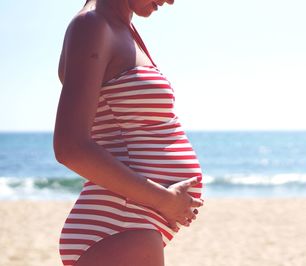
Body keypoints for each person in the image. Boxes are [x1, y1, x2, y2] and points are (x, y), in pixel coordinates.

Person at [53, 0, 204, 265]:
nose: (170, 0)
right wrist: (165, 201)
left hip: (129, 225)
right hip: (118, 226)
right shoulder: (92, 25)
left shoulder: (123, 28)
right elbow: (70, 147)